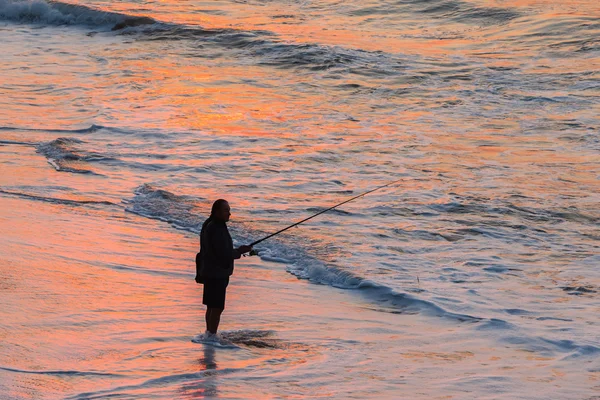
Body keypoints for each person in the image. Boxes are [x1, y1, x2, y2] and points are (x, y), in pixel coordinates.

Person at [193, 199, 252, 343]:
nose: (229, 214)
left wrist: (237, 251)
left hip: (209, 271)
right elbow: (223, 254)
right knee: (217, 306)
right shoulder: (217, 228)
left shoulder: (209, 224)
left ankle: (209, 333)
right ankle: (212, 335)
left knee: (211, 305)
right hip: (216, 273)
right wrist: (239, 251)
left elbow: (219, 250)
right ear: (217, 211)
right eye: (226, 210)